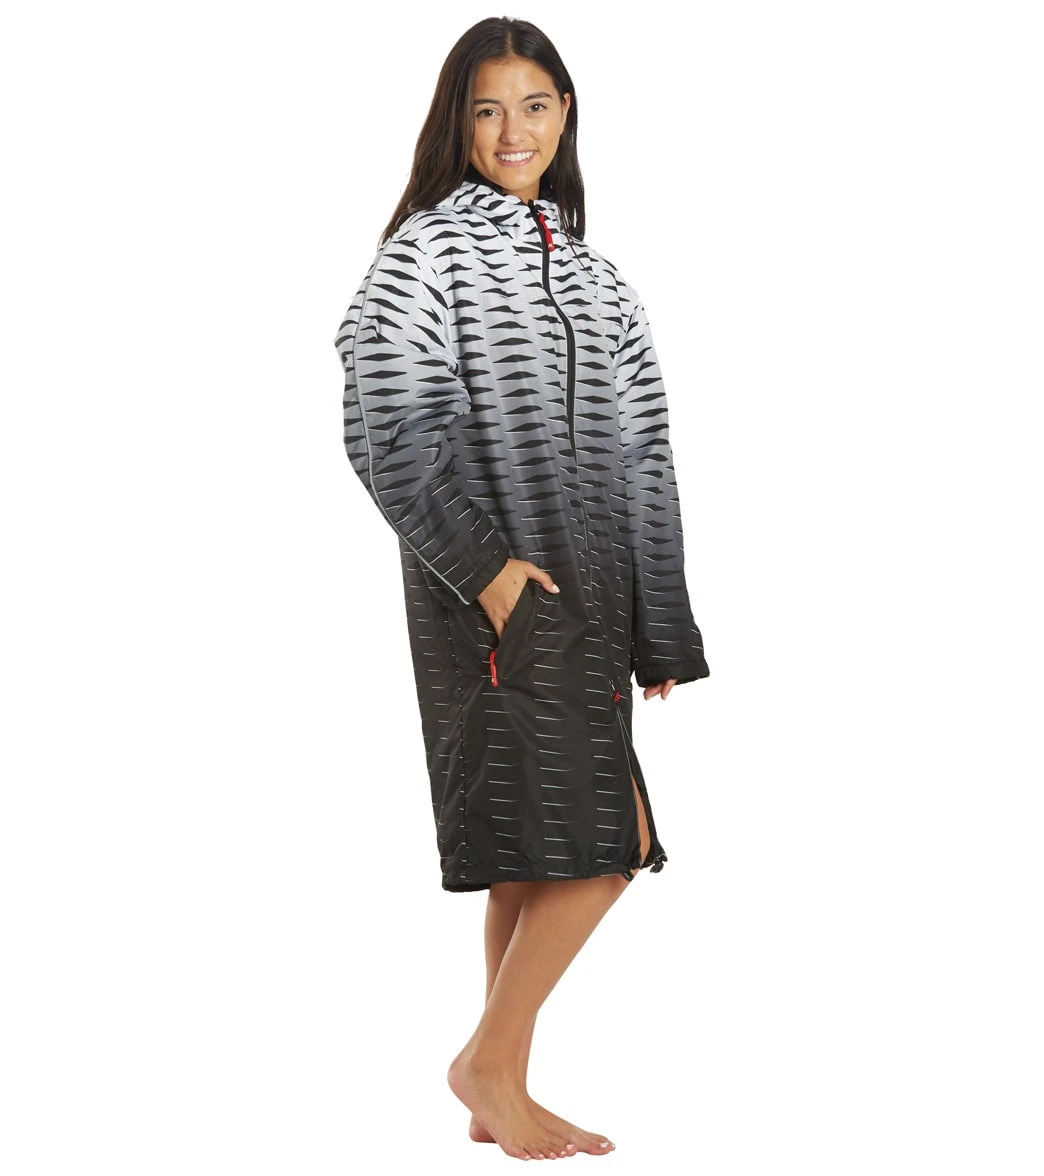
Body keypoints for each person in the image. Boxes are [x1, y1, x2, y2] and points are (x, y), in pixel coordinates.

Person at [333, 16, 710, 1161]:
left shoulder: (602, 282)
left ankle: (501, 1086)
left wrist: (658, 627)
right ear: (458, 121)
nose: (514, 130)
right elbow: (382, 425)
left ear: (565, 116)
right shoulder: (426, 254)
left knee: (533, 852)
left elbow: (646, 460)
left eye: (535, 106)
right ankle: (488, 1061)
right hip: (492, 607)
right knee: (608, 843)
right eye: (489, 108)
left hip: (591, 607)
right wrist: (490, 574)